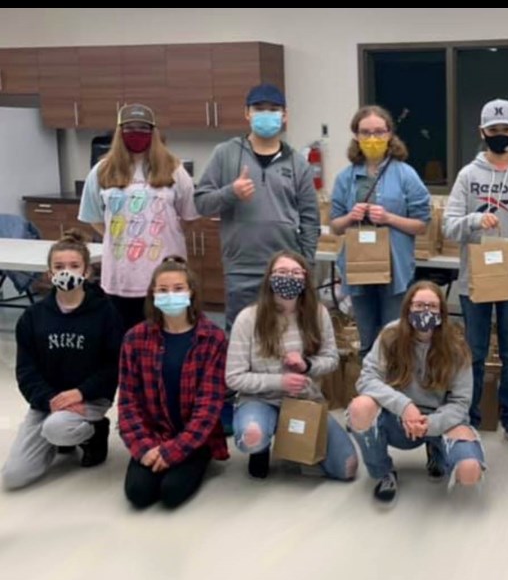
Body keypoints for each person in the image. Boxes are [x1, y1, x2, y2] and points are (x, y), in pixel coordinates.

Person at [443, 99, 508, 452]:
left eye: (506, 130)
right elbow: (449, 226)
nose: (500, 136)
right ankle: (469, 418)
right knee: (475, 352)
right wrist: (474, 221)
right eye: (493, 130)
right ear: (483, 133)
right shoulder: (468, 176)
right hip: (475, 278)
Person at [194, 83, 319, 331]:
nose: (266, 113)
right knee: (242, 335)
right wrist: (231, 192)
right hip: (241, 268)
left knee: (287, 334)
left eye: (273, 109)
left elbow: (310, 219)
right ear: (247, 113)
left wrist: (304, 264)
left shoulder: (297, 163)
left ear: (284, 116)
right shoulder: (226, 154)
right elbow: (201, 203)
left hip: (286, 269)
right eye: (259, 108)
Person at [347, 281, 484, 508]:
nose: (425, 312)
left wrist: (430, 424)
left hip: (439, 420)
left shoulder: (456, 345)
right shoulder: (390, 335)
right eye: (419, 305)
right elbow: (367, 379)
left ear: (442, 312)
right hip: (400, 421)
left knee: (469, 472)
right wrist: (405, 407)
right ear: (408, 308)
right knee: (360, 407)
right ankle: (384, 473)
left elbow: (460, 402)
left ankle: (436, 451)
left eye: (432, 306)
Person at [2, 232, 122, 489]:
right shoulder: (33, 317)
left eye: (74, 266)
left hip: (88, 398)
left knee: (57, 428)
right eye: (59, 267)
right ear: (49, 273)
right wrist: (49, 400)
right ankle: (59, 435)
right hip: (48, 401)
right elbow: (26, 371)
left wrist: (81, 392)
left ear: (87, 272)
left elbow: (114, 366)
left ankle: (93, 432)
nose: (66, 272)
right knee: (14, 477)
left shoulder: (105, 312)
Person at [226, 251, 356, 481]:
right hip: (259, 399)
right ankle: (262, 446)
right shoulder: (248, 318)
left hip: (304, 399)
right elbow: (234, 377)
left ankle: (293, 439)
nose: (289, 278)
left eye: (296, 273)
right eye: (282, 272)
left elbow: (332, 359)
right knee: (252, 438)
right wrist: (280, 381)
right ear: (269, 278)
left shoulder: (318, 313)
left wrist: (307, 365)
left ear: (305, 279)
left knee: (347, 468)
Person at [118, 257, 228, 510]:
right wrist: (144, 448)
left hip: (194, 438)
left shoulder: (213, 339)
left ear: (191, 292)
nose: (171, 295)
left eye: (178, 289)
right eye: (163, 290)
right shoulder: (135, 338)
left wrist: (174, 451)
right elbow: (127, 402)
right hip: (153, 433)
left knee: (171, 493)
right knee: (138, 494)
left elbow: (208, 409)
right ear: (152, 295)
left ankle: (200, 458)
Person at [78, 103, 199, 333]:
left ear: (153, 132)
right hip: (120, 279)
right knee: (124, 342)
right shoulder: (102, 171)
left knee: (167, 337)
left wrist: (166, 234)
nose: (136, 133)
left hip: (165, 278)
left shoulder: (174, 169)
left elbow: (189, 216)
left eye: (143, 128)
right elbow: (93, 216)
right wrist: (117, 235)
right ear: (119, 132)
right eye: (130, 127)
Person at [330, 105, 431, 358]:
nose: (372, 138)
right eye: (365, 132)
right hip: (358, 265)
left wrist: (389, 218)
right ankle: (368, 394)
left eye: (378, 132)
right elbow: (335, 226)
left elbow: (422, 224)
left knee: (392, 340)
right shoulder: (346, 177)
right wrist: (350, 217)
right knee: (366, 341)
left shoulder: (406, 174)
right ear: (356, 136)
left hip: (395, 268)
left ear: (389, 134)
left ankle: (393, 394)